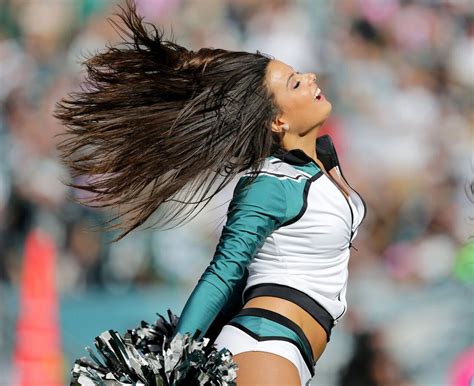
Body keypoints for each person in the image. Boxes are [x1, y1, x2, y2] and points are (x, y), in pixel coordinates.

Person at [55, 1, 366, 385]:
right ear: (278, 120)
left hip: (295, 351)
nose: (312, 78)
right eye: (295, 82)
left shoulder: (321, 162)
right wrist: (176, 357)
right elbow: (225, 270)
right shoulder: (271, 183)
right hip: (267, 345)